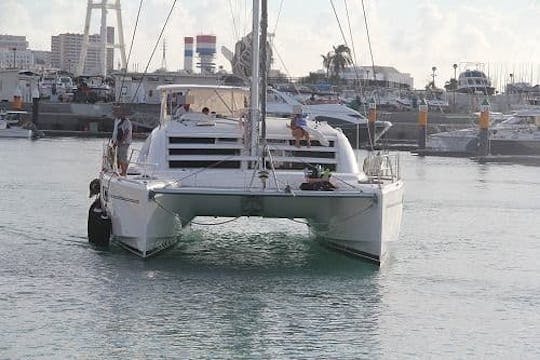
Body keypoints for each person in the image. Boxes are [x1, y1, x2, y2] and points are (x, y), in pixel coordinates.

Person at [112, 106, 133, 176]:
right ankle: (120, 170)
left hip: (124, 143)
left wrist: (121, 141)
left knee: (123, 157)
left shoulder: (126, 122)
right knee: (119, 157)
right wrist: (114, 141)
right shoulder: (117, 121)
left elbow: (126, 132)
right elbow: (116, 132)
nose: (116, 113)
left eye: (117, 112)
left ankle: (124, 172)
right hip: (118, 142)